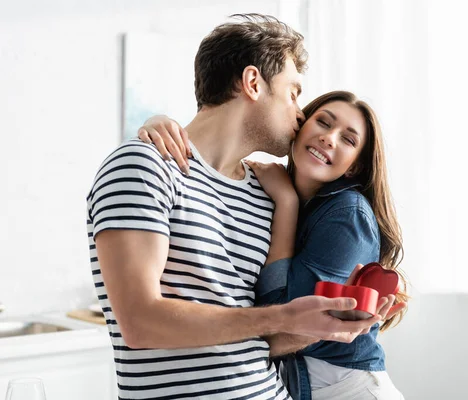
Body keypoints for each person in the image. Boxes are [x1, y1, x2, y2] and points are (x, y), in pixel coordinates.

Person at [87, 15, 392, 400]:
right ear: (252, 83)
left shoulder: (265, 192)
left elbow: (262, 336)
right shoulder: (144, 165)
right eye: (293, 92)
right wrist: (285, 318)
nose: (300, 114)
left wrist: (326, 327)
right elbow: (140, 323)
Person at [138, 91, 410, 399]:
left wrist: (287, 203)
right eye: (323, 122)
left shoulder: (347, 213)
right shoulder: (267, 187)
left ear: (353, 168)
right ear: (299, 127)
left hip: (348, 389)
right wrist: (159, 124)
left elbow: (288, 318)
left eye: (348, 140)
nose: (329, 138)